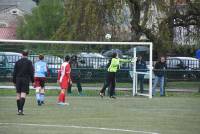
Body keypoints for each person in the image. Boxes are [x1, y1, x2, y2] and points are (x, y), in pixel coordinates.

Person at [13, 50, 34, 115]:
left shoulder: (17, 62)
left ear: (22, 54)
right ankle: (21, 110)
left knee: (18, 95)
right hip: (25, 80)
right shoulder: (29, 62)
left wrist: (14, 81)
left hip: (18, 80)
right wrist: (33, 81)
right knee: (23, 95)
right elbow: (31, 72)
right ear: (27, 55)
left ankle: (19, 110)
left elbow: (14, 72)